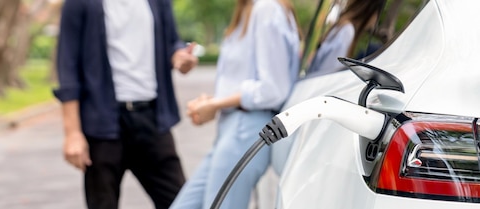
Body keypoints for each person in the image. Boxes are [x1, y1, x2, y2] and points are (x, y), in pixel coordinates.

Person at [53, 0, 199, 208]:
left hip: (150, 119)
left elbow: (171, 42)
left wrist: (180, 57)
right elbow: (67, 66)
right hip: (103, 125)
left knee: (181, 203)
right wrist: (72, 133)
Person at [168, 0, 300, 208]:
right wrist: (212, 103)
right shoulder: (248, 11)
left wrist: (216, 105)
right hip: (233, 129)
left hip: (246, 129)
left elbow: (273, 89)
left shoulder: (266, 9)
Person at [306, 0, 386, 77]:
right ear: (371, 11)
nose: (375, 23)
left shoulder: (343, 26)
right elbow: (328, 73)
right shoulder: (347, 32)